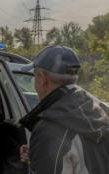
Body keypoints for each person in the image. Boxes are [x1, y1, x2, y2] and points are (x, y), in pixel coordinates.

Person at [19, 45, 109, 174]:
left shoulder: (49, 129)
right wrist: (39, 155)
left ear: (43, 78)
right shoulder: (99, 112)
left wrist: (43, 150)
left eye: (35, 77)